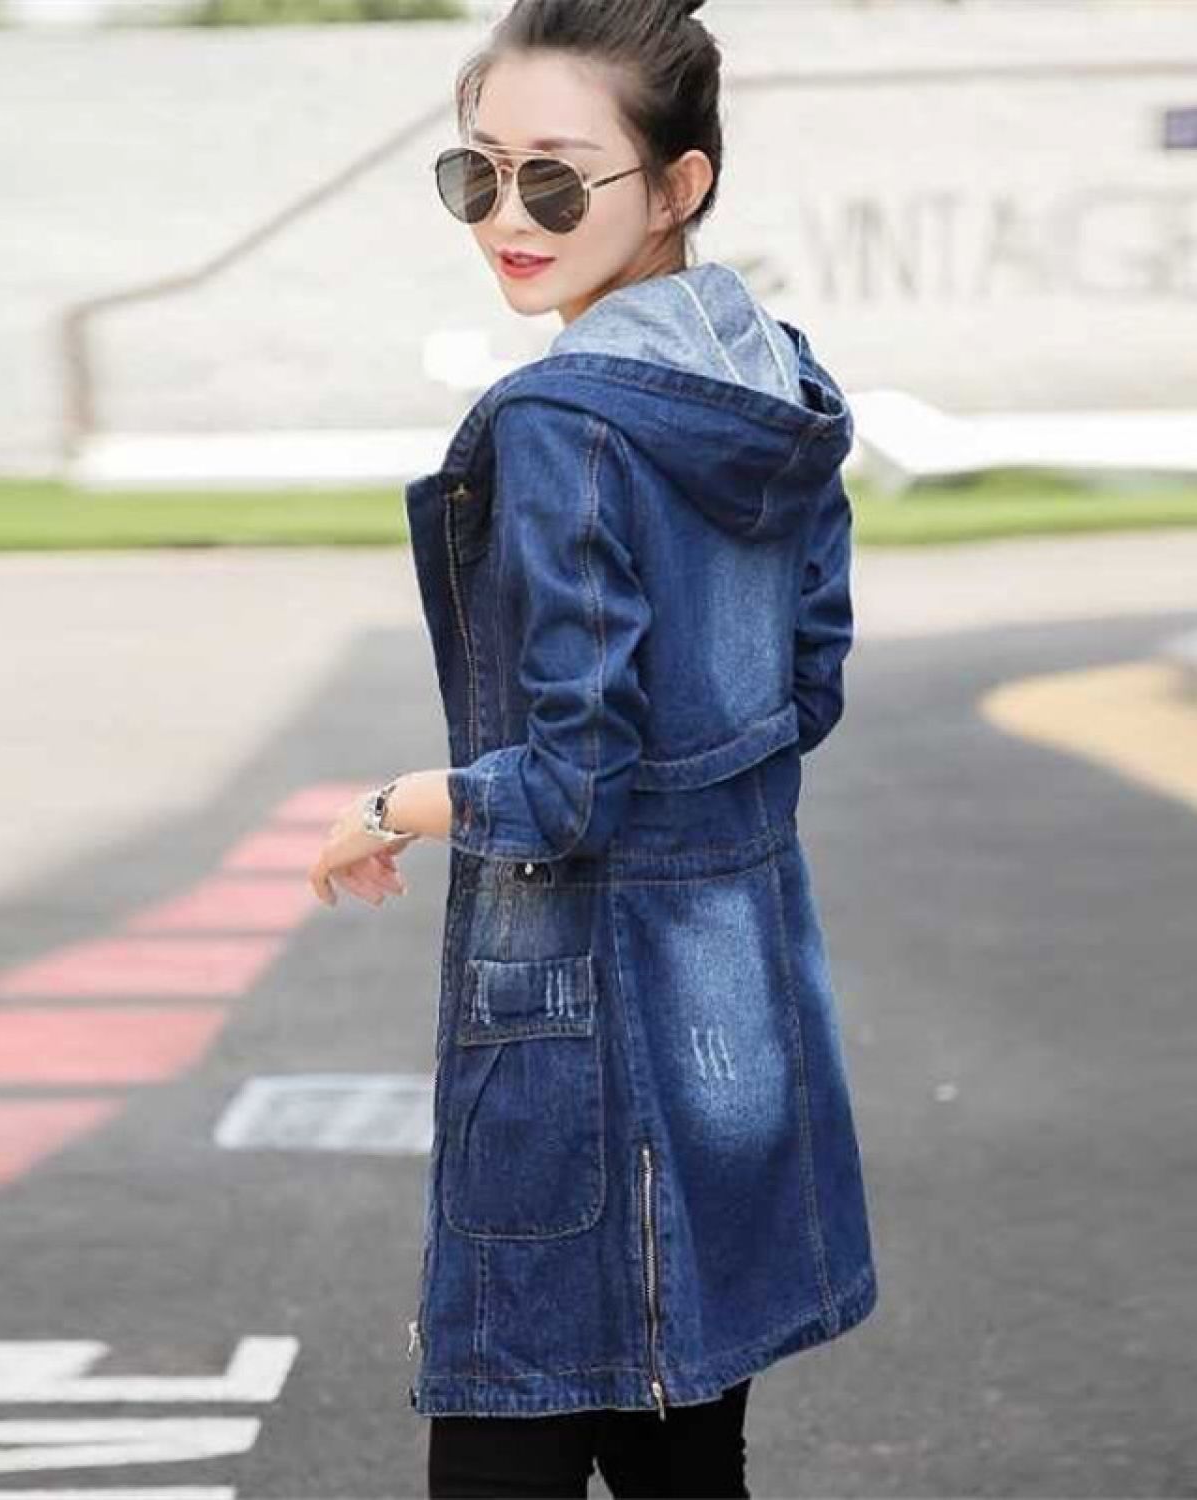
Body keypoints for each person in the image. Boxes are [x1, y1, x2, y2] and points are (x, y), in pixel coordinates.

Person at [308, 0, 878, 1494]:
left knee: (506, 1450)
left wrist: (398, 802)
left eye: (556, 180)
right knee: (685, 1457)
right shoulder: (776, 381)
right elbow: (806, 690)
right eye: (478, 173)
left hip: (576, 1019)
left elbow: (573, 783)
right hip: (735, 995)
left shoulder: (561, 422)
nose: (509, 218)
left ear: (679, 186)